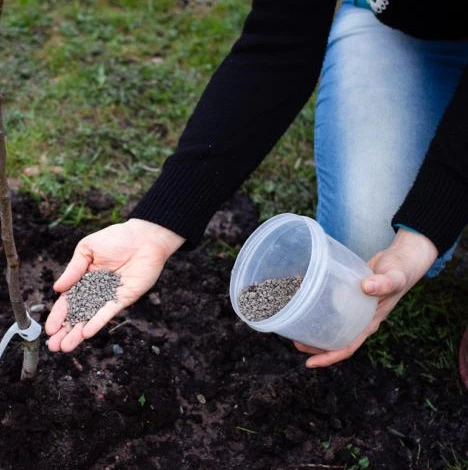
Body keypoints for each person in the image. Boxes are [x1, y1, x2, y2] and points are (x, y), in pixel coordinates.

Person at [45, 0, 468, 372]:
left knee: (403, 245)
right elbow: (277, 47)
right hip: (407, 32)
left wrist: (421, 235)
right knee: (365, 250)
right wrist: (156, 225)